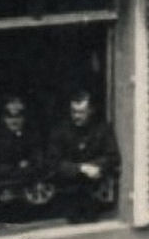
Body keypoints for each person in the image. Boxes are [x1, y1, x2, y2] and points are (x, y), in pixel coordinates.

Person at [44, 89, 120, 223]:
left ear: (91, 111)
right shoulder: (60, 131)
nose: (77, 116)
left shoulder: (102, 129)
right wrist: (81, 168)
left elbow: (113, 157)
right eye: (74, 112)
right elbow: (53, 162)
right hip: (67, 194)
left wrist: (97, 166)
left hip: (96, 194)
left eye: (81, 112)